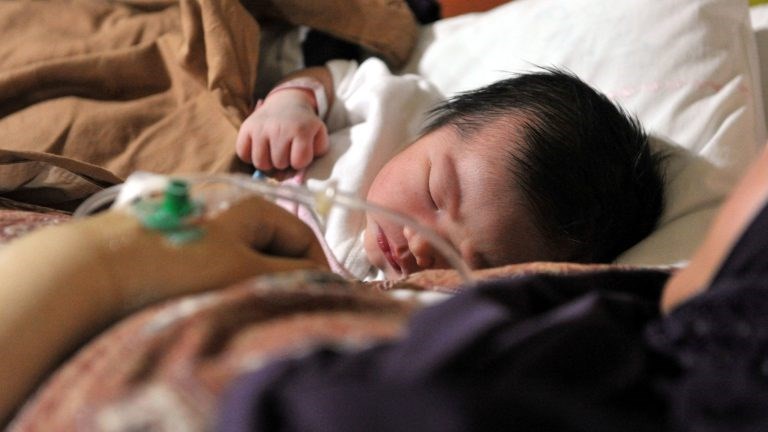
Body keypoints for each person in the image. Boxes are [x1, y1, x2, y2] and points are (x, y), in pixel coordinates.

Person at [1, 143, 767, 429]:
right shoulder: (364, 120)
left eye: (473, 251)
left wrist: (119, 255)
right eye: (436, 195)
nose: (425, 243)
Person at [236, 59, 666, 280]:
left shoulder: (401, 300)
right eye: (435, 194)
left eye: (468, 261)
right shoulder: (395, 113)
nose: (421, 247)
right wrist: (290, 104)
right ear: (438, 125)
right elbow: (337, 75)